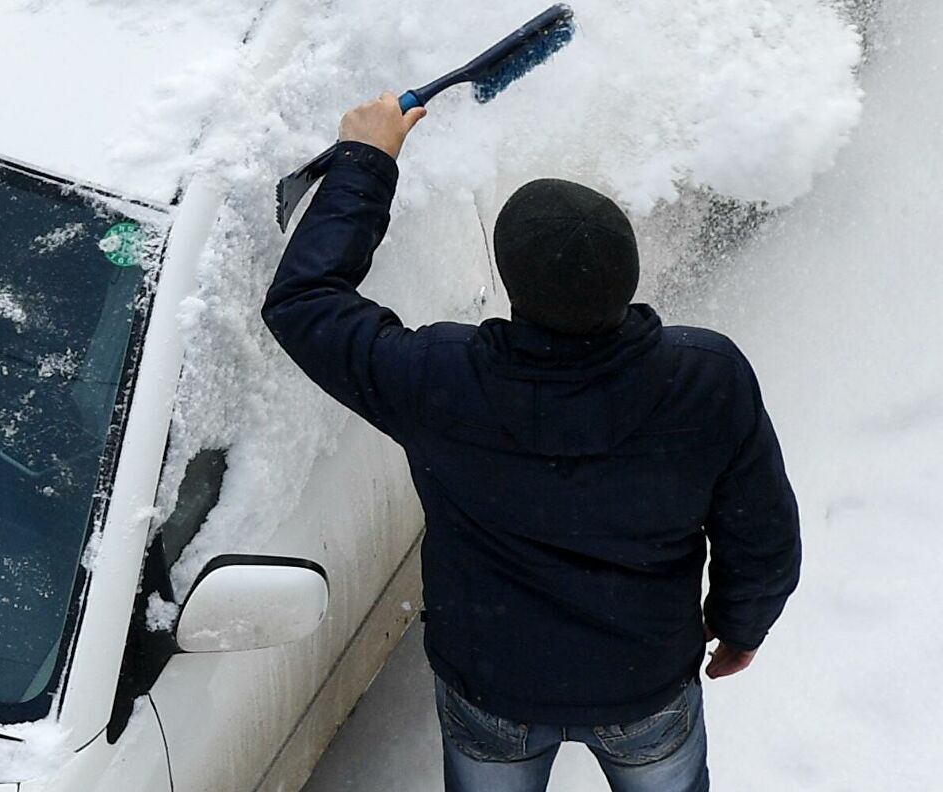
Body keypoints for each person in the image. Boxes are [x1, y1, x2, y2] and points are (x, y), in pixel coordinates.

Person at [262, 95, 801, 792]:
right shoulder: (706, 379)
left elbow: (303, 302)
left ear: (512, 283)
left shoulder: (438, 381)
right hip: (646, 684)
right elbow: (761, 534)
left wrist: (367, 162)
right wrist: (741, 626)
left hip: (492, 690)